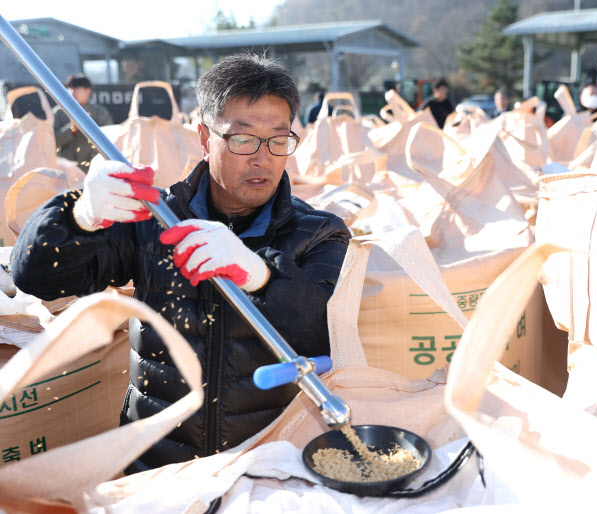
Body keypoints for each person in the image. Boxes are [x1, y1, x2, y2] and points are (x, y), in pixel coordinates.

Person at [11, 53, 351, 474]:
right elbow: (39, 278)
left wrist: (261, 276)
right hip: (156, 462)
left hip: (268, 465)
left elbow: (326, 334)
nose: (263, 157)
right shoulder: (156, 220)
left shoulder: (320, 232)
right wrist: (80, 216)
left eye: (278, 140)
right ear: (205, 138)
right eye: (243, 139)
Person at [53, 74, 113, 173]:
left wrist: (90, 127)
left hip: (94, 171)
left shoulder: (100, 113)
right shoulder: (59, 113)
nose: (72, 92)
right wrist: (71, 129)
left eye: (76, 88)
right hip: (65, 173)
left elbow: (110, 140)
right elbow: (50, 141)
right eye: (69, 88)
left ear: (88, 90)